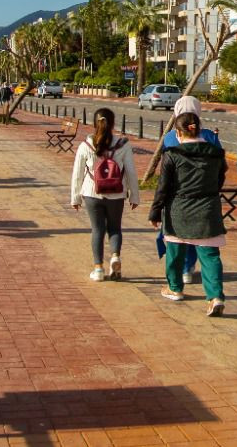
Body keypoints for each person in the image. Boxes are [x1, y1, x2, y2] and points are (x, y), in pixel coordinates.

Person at [149, 112, 228, 316]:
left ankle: (175, 288)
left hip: (179, 208)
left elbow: (163, 186)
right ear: (199, 128)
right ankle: (215, 296)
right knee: (210, 255)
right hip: (208, 207)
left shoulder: (172, 155)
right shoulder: (215, 153)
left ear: (178, 132)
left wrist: (155, 211)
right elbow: (220, 178)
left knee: (175, 252)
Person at [145, 95, 221, 284]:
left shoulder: (170, 137)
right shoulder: (210, 136)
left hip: (177, 197)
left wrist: (155, 209)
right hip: (205, 196)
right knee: (202, 236)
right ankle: (190, 269)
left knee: (177, 238)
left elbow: (165, 177)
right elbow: (220, 167)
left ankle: (176, 282)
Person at [70, 107, 140, 280]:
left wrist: (75, 197)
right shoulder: (123, 145)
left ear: (94, 123)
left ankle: (98, 269)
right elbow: (131, 172)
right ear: (113, 123)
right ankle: (115, 256)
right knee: (115, 228)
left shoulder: (86, 145)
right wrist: (134, 196)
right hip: (117, 194)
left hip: (91, 193)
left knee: (97, 229)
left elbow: (77, 173)